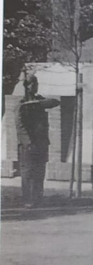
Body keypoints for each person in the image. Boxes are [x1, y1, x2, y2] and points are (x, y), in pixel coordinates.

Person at [15, 74, 61, 207]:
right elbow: (20, 125)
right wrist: (28, 142)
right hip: (28, 145)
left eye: (36, 84)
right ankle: (28, 200)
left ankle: (37, 198)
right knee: (28, 172)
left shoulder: (38, 101)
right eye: (33, 84)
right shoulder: (21, 104)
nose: (35, 86)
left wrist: (36, 102)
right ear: (26, 86)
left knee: (40, 172)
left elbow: (55, 102)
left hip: (41, 143)